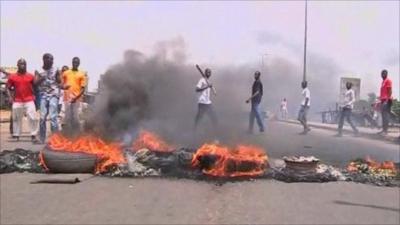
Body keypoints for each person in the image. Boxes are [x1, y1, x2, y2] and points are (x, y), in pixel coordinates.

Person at [4, 59, 38, 142]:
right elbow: (7, 88)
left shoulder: (31, 76)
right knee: (16, 118)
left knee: (33, 117)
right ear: (18, 65)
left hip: (29, 100)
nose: (22, 65)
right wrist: (10, 97)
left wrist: (36, 97)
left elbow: (36, 86)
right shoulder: (12, 77)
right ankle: (16, 134)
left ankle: (33, 135)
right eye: (21, 64)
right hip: (17, 100)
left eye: (24, 64)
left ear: (26, 65)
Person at [35, 53, 61, 143]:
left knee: (53, 117)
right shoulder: (38, 70)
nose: (52, 61)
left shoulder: (56, 69)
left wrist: (59, 76)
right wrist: (41, 78)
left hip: (54, 94)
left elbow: (59, 81)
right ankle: (42, 138)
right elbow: (35, 83)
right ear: (44, 60)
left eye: (52, 59)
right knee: (42, 118)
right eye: (50, 59)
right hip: (43, 95)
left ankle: (55, 139)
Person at [62, 57, 87, 134]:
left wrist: (76, 98)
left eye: (77, 62)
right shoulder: (66, 73)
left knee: (76, 118)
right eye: (74, 62)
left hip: (77, 99)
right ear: (72, 63)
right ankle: (67, 134)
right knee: (67, 117)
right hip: (67, 98)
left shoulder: (82, 74)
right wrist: (63, 87)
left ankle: (77, 134)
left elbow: (83, 89)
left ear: (79, 64)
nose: (75, 63)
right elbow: (61, 84)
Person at [378, 70, 393, 135]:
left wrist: (386, 101)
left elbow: (390, 91)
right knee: (383, 116)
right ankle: (383, 130)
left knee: (386, 116)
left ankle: (385, 131)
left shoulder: (388, 81)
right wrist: (380, 100)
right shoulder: (383, 82)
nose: (382, 75)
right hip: (383, 100)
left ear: (386, 74)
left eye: (384, 74)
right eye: (382, 74)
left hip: (387, 100)